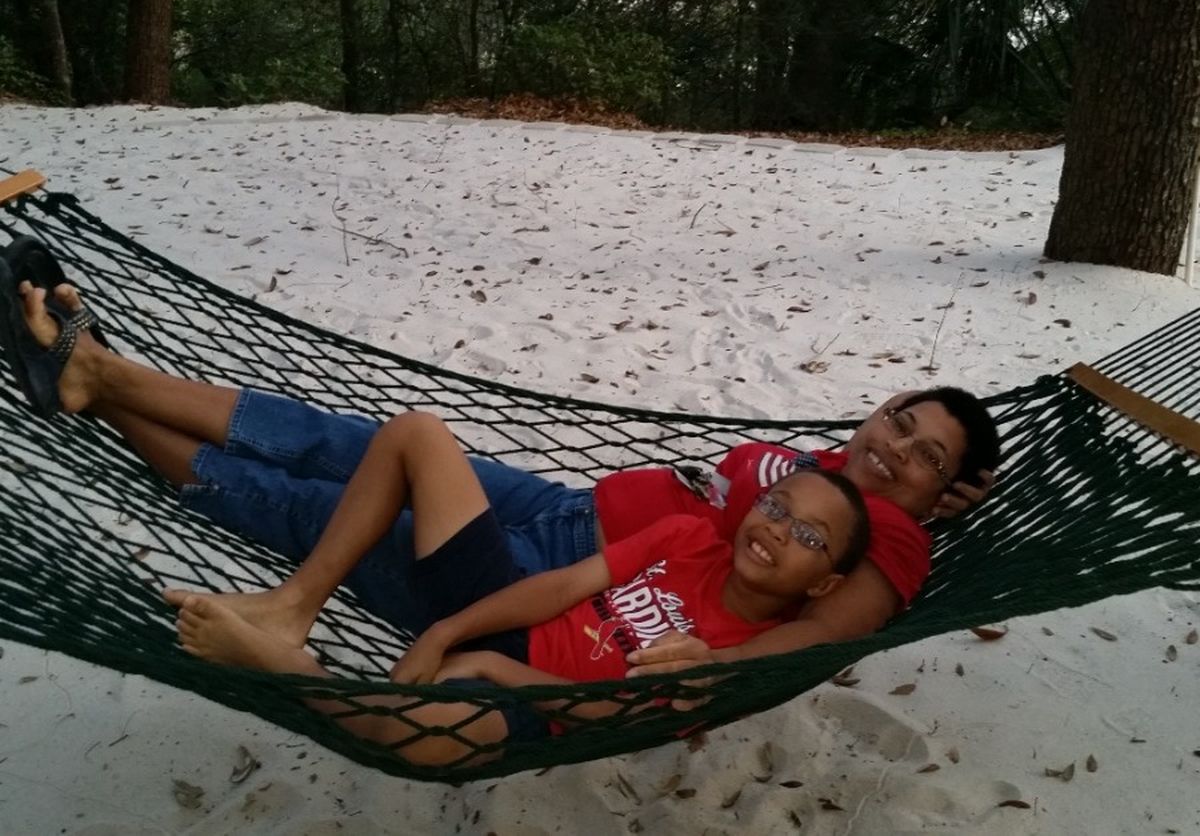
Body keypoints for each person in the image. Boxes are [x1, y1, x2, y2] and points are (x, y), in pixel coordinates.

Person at [1, 248, 1000, 676]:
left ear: (940, 493)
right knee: (338, 441)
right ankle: (103, 376)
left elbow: (822, 630)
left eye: (925, 458)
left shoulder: (891, 535)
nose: (895, 449)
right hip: (568, 510)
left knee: (307, 506)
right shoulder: (828, 462)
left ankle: (95, 376)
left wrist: (719, 672)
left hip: (571, 580)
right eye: (900, 420)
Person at [163, 398, 871, 765]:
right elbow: (562, 587)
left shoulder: (736, 657)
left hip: (540, 702)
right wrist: (448, 631)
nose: (778, 529)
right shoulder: (689, 538)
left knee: (427, 738)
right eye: (776, 506)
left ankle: (289, 669)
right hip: (508, 614)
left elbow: (614, 714)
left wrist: (492, 666)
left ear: (823, 586)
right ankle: (294, 606)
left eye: (810, 537)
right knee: (417, 433)